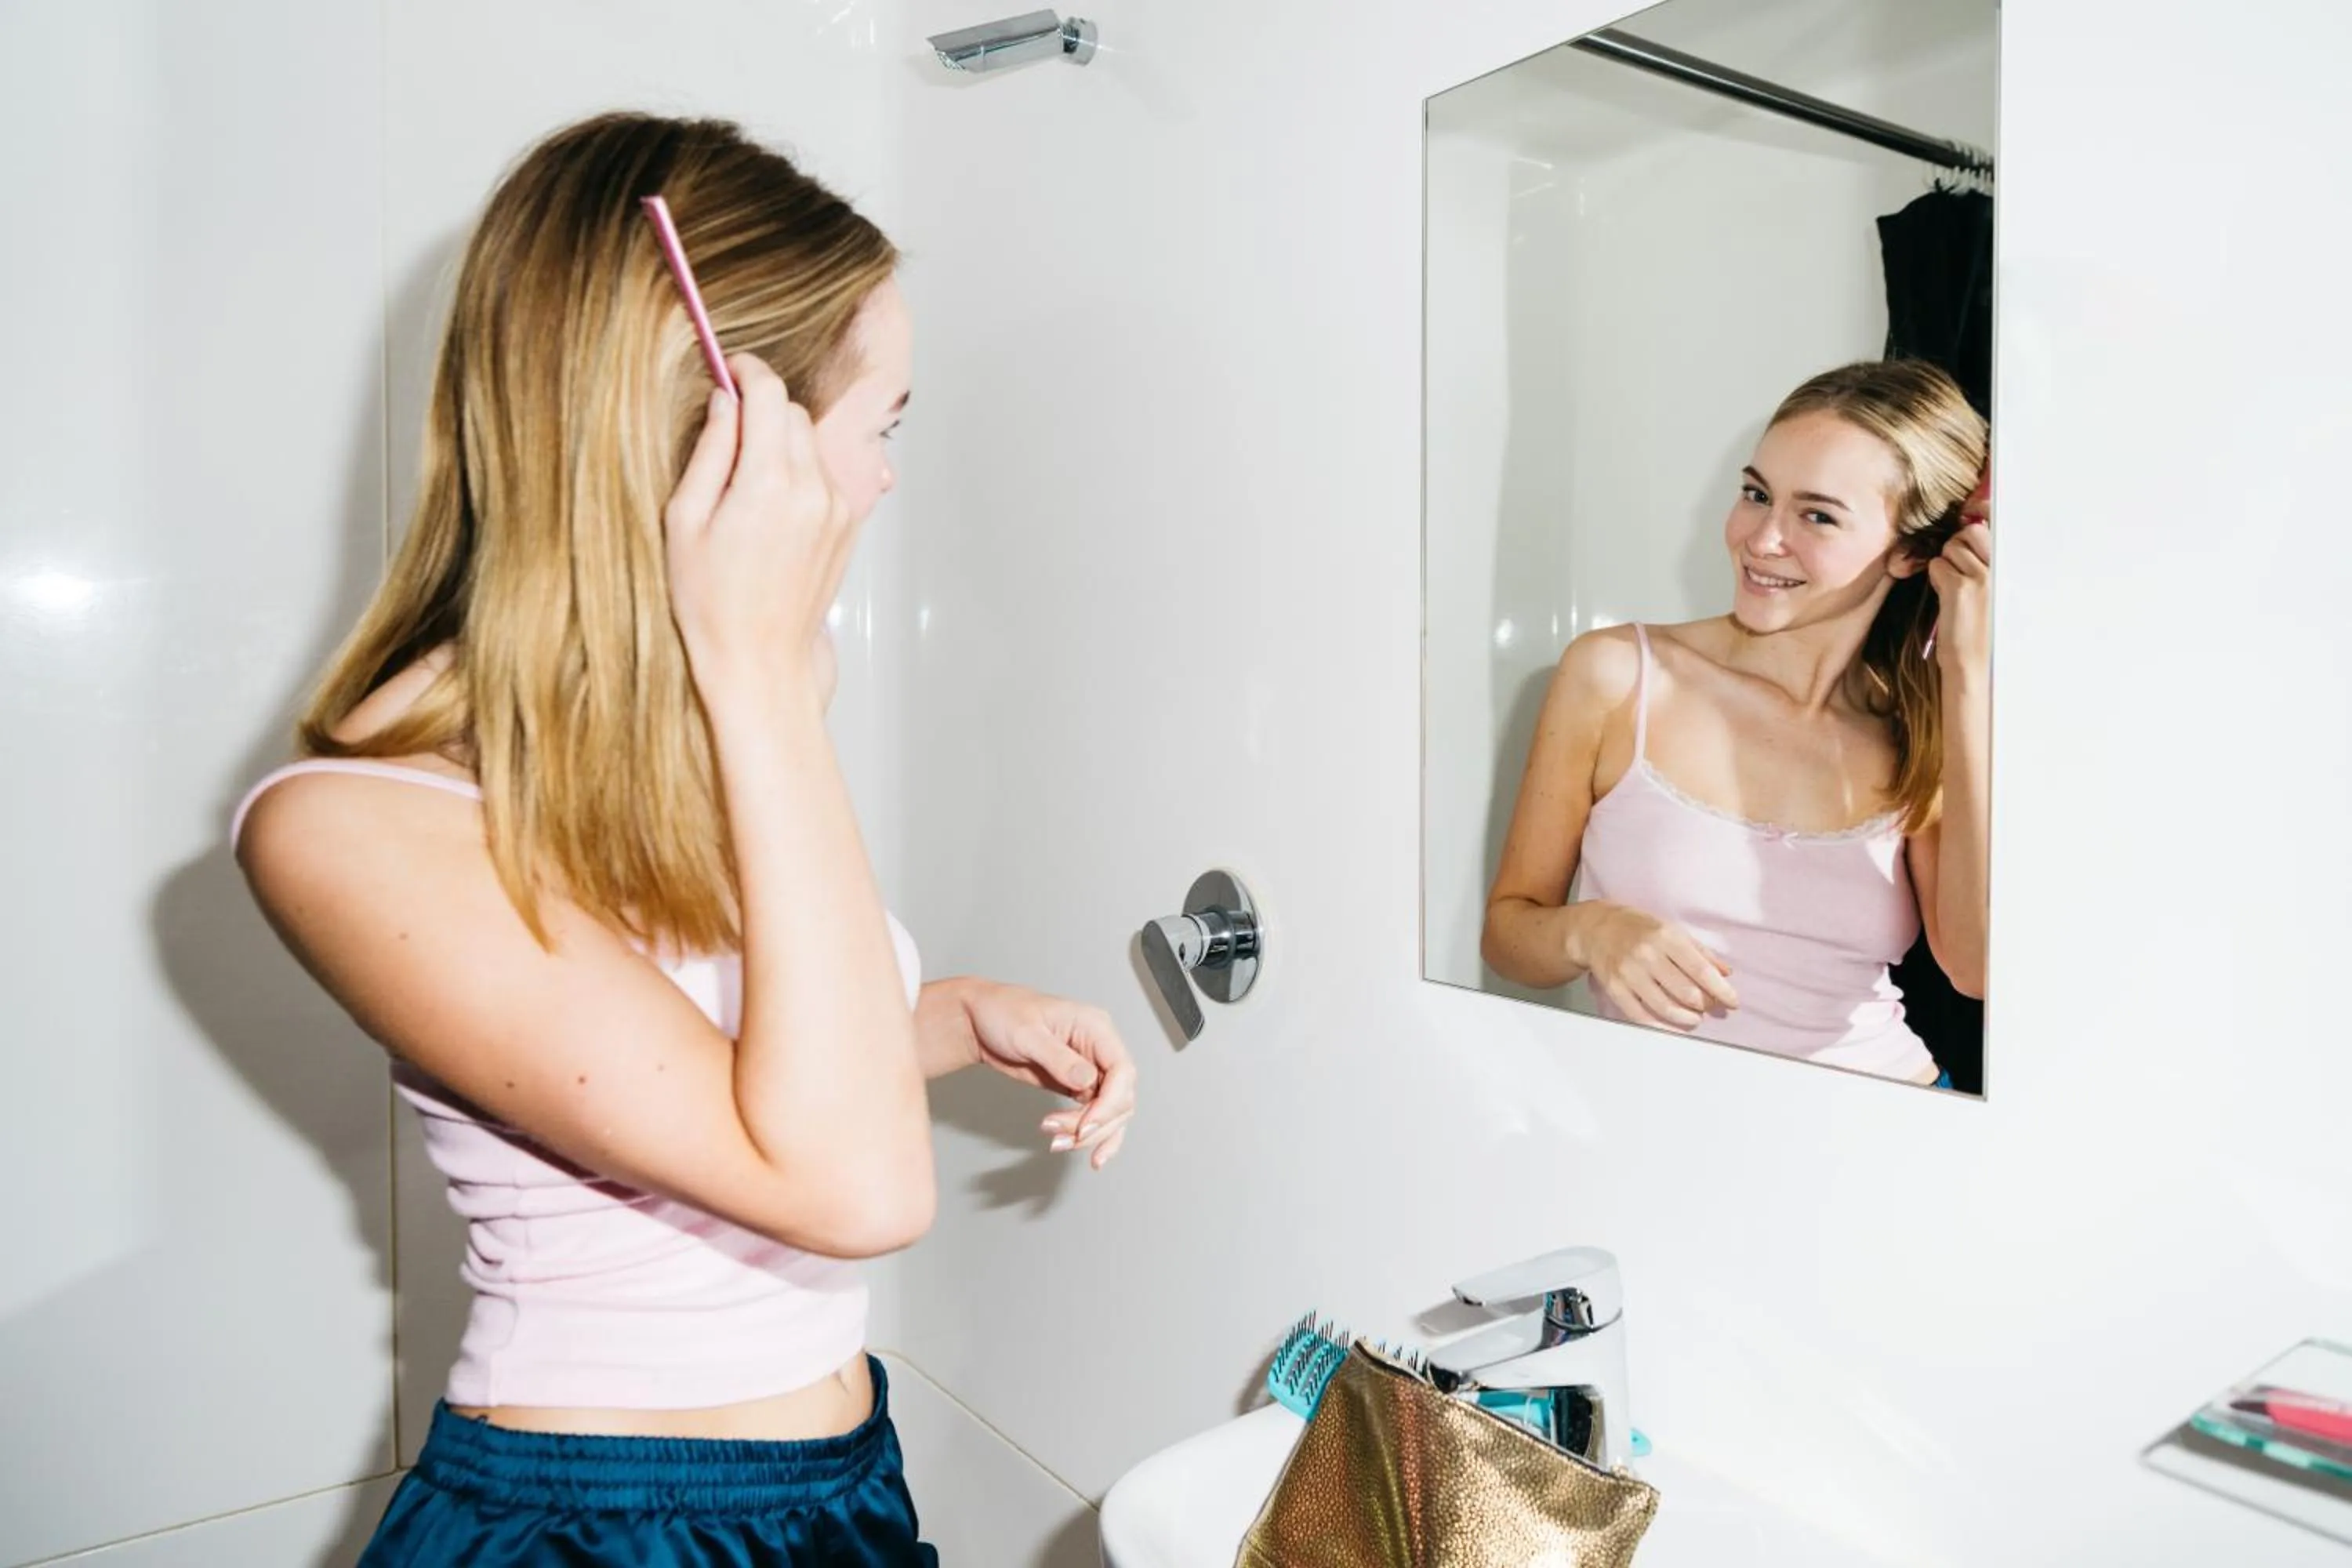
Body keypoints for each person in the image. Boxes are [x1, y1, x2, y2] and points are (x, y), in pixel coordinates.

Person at [233, 111, 1137, 1564]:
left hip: (842, 1475)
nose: (887, 481)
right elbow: (852, 1189)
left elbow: (730, 1090)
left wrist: (956, 1017)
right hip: (597, 1520)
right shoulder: (349, 826)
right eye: (878, 426)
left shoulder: (729, 701)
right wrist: (766, 678)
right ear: (724, 428)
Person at [1481, 359, 1991, 1087]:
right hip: (1676, 1131)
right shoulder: (1618, 674)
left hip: (1890, 1125)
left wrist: (1967, 674)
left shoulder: (1921, 732)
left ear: (1911, 552)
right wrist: (1590, 930)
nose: (1762, 539)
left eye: (1816, 514)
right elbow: (1508, 932)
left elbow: (1973, 970)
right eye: (1757, 494)